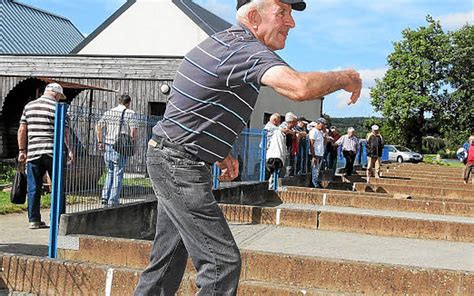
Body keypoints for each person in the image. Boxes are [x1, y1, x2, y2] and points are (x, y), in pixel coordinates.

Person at [134, 0, 362, 294]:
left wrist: (219, 151)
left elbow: (193, 107)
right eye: (282, 13)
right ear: (253, 17)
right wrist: (345, 77)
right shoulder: (244, 49)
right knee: (221, 263)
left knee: (166, 262)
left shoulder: (226, 46)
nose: (291, 23)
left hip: (173, 156)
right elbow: (299, 87)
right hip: (179, 162)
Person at [17, 83, 73, 229]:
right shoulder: (58, 108)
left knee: (34, 187)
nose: (59, 99)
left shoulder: (29, 106)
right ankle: (57, 219)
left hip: (34, 152)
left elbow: (22, 129)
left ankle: (34, 219)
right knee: (57, 186)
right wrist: (70, 150)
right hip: (53, 151)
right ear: (56, 94)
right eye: (60, 96)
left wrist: (22, 151)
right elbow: (65, 132)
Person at [96, 94, 138, 206]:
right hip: (120, 146)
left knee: (109, 172)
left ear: (119, 101)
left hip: (108, 145)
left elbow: (98, 126)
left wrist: (100, 141)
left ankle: (105, 197)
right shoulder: (130, 113)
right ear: (129, 102)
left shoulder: (109, 112)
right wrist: (133, 143)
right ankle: (113, 200)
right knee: (118, 173)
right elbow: (133, 131)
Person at [309, 118, 327, 188]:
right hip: (316, 154)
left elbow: (324, 142)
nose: (323, 127)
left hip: (320, 153)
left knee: (317, 170)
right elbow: (312, 144)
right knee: (315, 170)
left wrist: (325, 133)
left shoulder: (320, 132)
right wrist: (314, 156)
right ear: (318, 123)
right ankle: (314, 184)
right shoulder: (314, 131)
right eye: (322, 125)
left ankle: (315, 182)